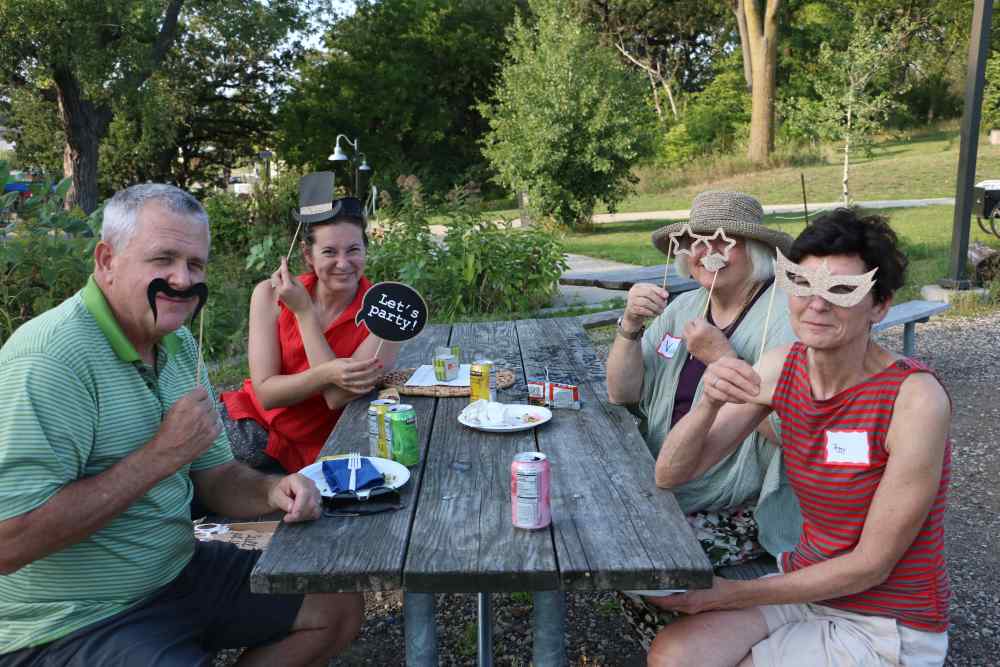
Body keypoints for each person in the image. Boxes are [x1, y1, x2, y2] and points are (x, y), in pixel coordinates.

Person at [0, 184, 362, 665]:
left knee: (337, 606)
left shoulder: (176, 345)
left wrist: (272, 492)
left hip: (176, 572)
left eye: (195, 265)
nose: (182, 279)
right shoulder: (49, 361)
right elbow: (10, 540)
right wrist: (161, 455)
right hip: (71, 619)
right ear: (107, 260)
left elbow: (217, 478)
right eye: (163, 259)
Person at [649, 208, 950, 666]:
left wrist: (728, 595)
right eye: (803, 283)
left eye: (842, 289)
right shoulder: (781, 365)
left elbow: (873, 564)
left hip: (887, 620)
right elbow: (671, 473)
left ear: (881, 304)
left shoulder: (914, 400)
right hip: (807, 585)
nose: (817, 303)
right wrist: (708, 401)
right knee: (674, 655)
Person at [606, 191, 801, 648]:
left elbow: (789, 434)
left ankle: (705, 643)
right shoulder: (684, 308)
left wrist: (722, 358)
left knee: (630, 555)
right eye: (694, 241)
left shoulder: (785, 317)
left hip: (740, 499)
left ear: (756, 253)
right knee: (597, 530)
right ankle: (681, 645)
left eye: (723, 240)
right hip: (662, 470)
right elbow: (623, 391)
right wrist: (630, 327)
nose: (705, 251)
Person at [221, 172, 399, 474]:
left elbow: (337, 396)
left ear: (366, 250)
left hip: (320, 448)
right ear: (307, 255)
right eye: (329, 252)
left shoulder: (387, 311)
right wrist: (330, 371)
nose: (343, 263)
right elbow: (266, 395)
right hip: (251, 430)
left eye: (353, 250)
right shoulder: (268, 294)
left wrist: (303, 314)